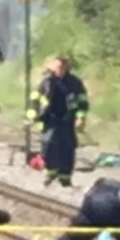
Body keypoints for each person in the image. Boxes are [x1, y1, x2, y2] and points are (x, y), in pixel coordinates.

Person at [28, 56, 89, 187]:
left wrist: (80, 117)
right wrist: (33, 115)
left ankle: (65, 177)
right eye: (56, 67)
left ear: (66, 68)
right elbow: (34, 99)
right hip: (49, 119)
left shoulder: (74, 82)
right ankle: (51, 172)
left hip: (67, 120)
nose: (58, 69)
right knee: (48, 145)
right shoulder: (46, 81)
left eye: (61, 67)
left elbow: (82, 101)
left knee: (67, 147)